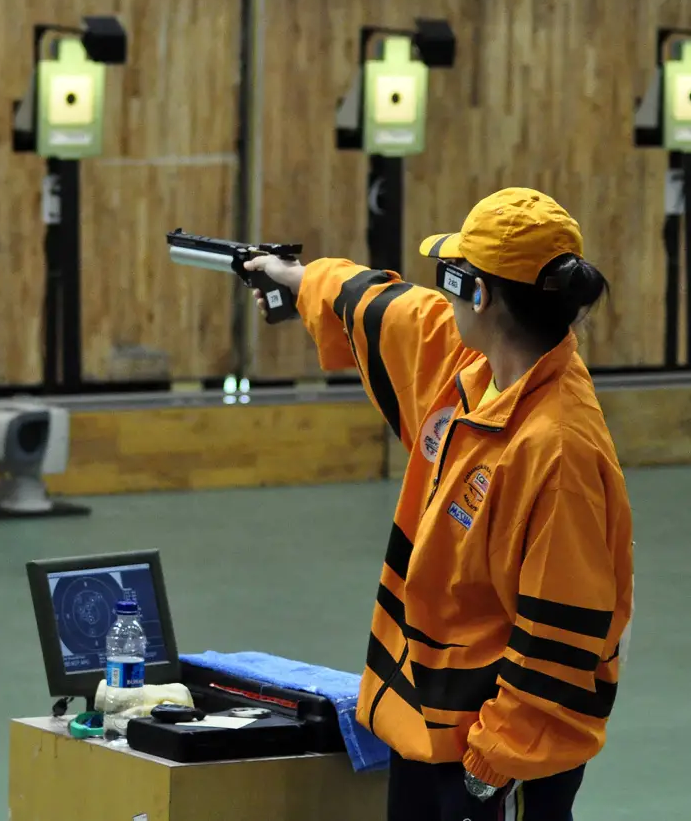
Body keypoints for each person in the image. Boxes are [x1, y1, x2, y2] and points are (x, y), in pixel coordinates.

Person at [242, 187, 634, 820]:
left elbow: (563, 640)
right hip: (427, 728)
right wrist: (295, 277)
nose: (443, 295)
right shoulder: (472, 367)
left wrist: (491, 767)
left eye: (451, 277)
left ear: (479, 293)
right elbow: (376, 302)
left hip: (498, 758)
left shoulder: (558, 452)